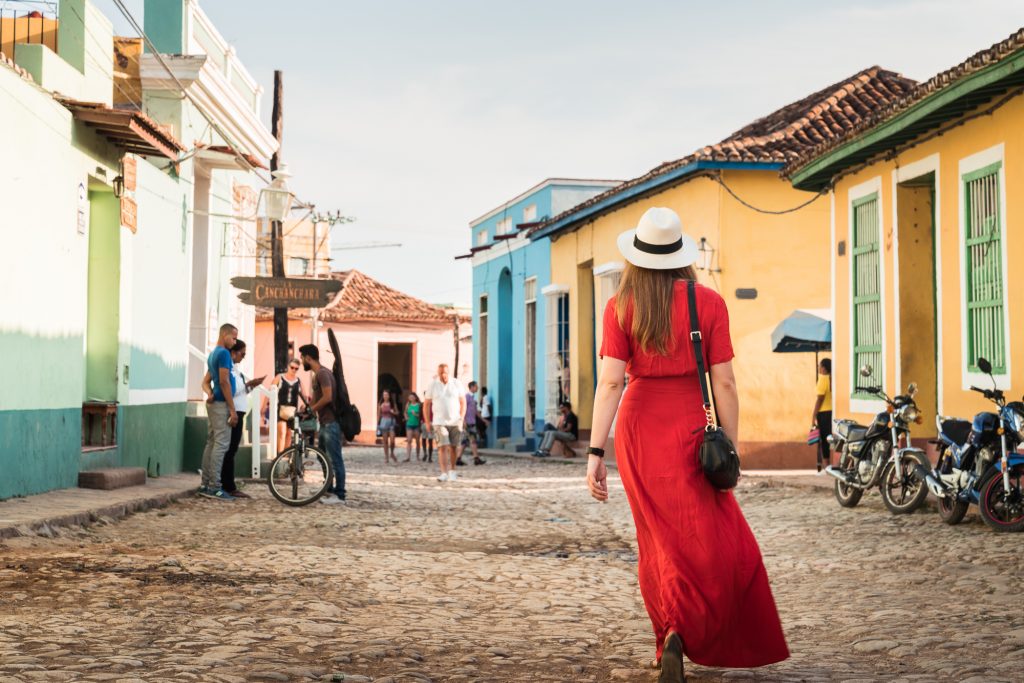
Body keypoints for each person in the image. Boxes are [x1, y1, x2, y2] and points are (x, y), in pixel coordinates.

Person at [586, 207, 789, 681]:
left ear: (636, 255)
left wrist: (596, 453)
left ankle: (669, 636)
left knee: (656, 539)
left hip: (639, 429)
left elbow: (611, 384)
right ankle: (685, 628)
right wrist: (731, 448)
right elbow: (727, 385)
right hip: (693, 430)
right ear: (680, 255)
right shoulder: (710, 303)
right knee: (711, 538)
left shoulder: (619, 306)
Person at [215, 340, 265, 499]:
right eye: (242, 354)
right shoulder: (228, 368)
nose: (243, 357)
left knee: (232, 449)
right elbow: (229, 389)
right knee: (229, 450)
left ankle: (227, 484)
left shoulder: (236, 370)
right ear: (234, 352)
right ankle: (228, 485)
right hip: (234, 411)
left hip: (240, 410)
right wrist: (232, 410)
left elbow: (239, 391)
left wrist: (250, 385)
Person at [299, 344, 346, 506]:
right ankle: (329, 489)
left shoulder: (323, 374)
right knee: (323, 457)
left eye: (302, 357)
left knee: (335, 459)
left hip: (331, 423)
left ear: (308, 358)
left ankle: (340, 495)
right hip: (325, 422)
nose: (301, 361)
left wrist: (311, 410)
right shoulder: (318, 374)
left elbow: (327, 397)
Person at [199, 323, 239, 500]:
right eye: (234, 337)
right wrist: (232, 409)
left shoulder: (213, 353)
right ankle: (214, 486)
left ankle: (205, 483)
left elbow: (205, 381)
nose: (235, 341)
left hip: (214, 403)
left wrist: (209, 393)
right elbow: (224, 382)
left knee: (212, 442)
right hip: (222, 404)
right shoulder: (223, 354)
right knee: (221, 444)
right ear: (225, 335)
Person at [423, 364, 466, 482]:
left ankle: (452, 470)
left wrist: (461, 419)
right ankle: (443, 473)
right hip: (439, 421)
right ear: (438, 373)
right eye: (440, 373)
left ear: (448, 372)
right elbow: (426, 404)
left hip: (455, 421)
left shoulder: (457, 383)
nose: (443, 375)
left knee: (453, 447)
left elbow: (463, 402)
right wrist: (427, 422)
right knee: (442, 446)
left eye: (445, 373)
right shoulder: (433, 384)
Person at [272, 359, 304, 454]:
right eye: (292, 367)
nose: (294, 370)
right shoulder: (280, 377)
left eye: (296, 368)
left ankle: (286, 455)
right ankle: (280, 455)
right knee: (282, 432)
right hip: (281, 409)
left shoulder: (298, 381)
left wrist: (303, 406)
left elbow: (304, 395)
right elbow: (270, 391)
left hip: (292, 411)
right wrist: (263, 408)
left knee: (289, 434)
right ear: (288, 367)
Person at [457, 381, 486, 466]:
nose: (477, 388)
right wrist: (463, 421)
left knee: (464, 442)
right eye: (476, 386)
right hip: (468, 423)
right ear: (472, 387)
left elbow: (475, 411)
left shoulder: (473, 398)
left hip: (472, 422)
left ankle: (458, 458)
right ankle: (476, 458)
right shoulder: (467, 397)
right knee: (473, 441)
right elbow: (462, 409)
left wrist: (483, 420)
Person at [812, 358, 833, 473]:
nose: (818, 368)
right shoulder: (832, 379)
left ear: (824, 368)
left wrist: (813, 415)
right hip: (831, 412)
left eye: (819, 366)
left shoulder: (823, 379)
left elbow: (820, 398)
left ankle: (827, 466)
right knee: (829, 438)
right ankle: (828, 466)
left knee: (824, 440)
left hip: (823, 412)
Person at [378, 390, 399, 465]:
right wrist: (378, 425)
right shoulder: (380, 404)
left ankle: (392, 453)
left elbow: (397, 413)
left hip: (391, 422)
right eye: (384, 395)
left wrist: (393, 412)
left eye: (386, 395)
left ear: (389, 396)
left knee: (392, 440)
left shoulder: (392, 404)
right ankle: (386, 457)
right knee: (385, 441)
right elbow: (379, 415)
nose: (385, 396)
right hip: (383, 422)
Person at [404, 393, 423, 462]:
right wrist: (406, 417)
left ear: (415, 398)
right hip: (409, 424)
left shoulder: (419, 405)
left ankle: (417, 456)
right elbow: (405, 412)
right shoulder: (408, 404)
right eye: (410, 397)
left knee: (417, 441)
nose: (411, 398)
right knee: (409, 440)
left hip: (417, 425)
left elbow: (421, 415)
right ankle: (408, 457)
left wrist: (416, 414)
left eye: (412, 397)